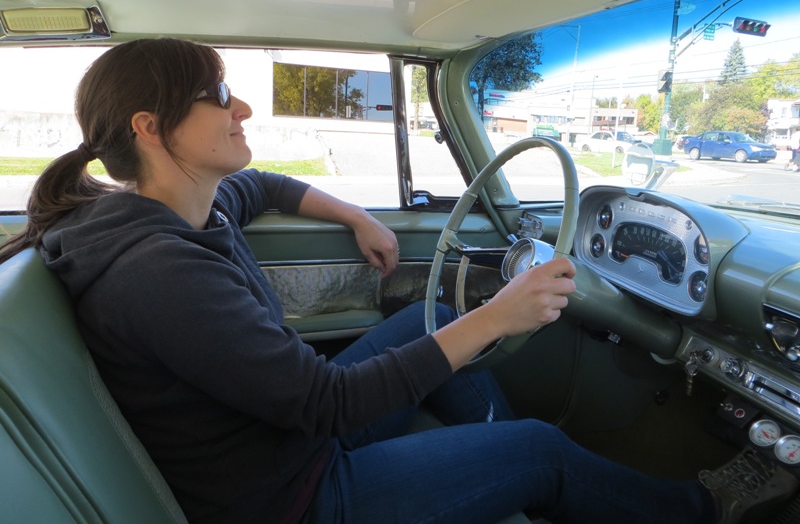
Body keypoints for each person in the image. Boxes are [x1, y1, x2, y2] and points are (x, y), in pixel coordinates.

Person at [0, 38, 795, 524]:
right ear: (149, 127)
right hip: (286, 496)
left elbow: (265, 185)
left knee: (427, 314)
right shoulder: (156, 270)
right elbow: (326, 403)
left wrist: (360, 216)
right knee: (538, 449)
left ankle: (492, 466)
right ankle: (703, 510)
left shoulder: (181, 208)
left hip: (276, 441)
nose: (240, 105)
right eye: (215, 94)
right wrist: (498, 317)